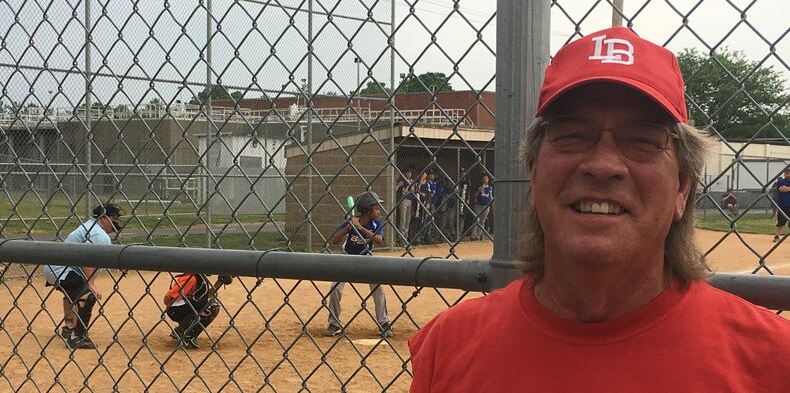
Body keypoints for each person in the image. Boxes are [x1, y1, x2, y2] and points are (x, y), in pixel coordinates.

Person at [408, 27, 790, 391]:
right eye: (573, 135)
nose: (603, 165)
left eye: (642, 140)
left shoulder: (774, 362)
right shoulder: (448, 348)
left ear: (682, 187)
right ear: (534, 173)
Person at [43, 203, 123, 350]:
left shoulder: (90, 227)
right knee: (87, 295)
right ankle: (77, 336)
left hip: (56, 267)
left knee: (74, 292)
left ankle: (68, 328)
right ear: (104, 218)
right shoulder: (99, 235)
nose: (116, 221)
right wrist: (90, 283)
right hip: (61, 269)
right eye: (114, 217)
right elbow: (88, 259)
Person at [324, 191, 393, 338]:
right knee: (335, 288)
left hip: (366, 258)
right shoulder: (350, 222)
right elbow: (335, 241)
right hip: (347, 258)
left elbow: (379, 239)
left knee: (378, 288)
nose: (379, 211)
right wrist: (348, 228)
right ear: (368, 211)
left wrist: (361, 229)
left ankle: (384, 322)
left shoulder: (376, 223)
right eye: (376, 209)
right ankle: (334, 323)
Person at [163, 273, 233, 349]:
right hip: (175, 310)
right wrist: (187, 304)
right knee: (211, 306)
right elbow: (167, 297)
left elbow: (205, 297)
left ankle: (181, 330)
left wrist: (220, 282)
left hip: (180, 307)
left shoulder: (199, 277)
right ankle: (187, 336)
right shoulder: (191, 278)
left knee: (208, 304)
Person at [470, 174, 493, 241]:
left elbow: (491, 197)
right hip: (478, 205)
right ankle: (473, 236)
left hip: (486, 205)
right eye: (484, 178)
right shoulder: (479, 186)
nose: (485, 180)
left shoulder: (490, 187)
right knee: (476, 220)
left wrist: (492, 206)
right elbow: (475, 195)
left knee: (482, 221)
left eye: (487, 178)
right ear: (482, 180)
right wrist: (479, 190)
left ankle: (478, 236)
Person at [396, 168, 416, 246]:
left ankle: (405, 238)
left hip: (410, 202)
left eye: (410, 173)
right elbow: (404, 192)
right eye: (408, 173)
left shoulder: (412, 181)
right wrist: (408, 186)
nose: (409, 174)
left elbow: (414, 192)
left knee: (408, 221)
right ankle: (401, 239)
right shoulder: (402, 182)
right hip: (403, 201)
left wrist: (412, 184)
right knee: (402, 221)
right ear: (404, 174)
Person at [773, 167, 790, 242]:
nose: (788, 174)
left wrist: (787, 188)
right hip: (783, 206)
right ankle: (777, 237)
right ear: (784, 174)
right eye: (786, 173)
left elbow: (786, 189)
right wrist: (786, 188)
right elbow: (782, 189)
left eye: (789, 173)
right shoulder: (781, 181)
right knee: (781, 222)